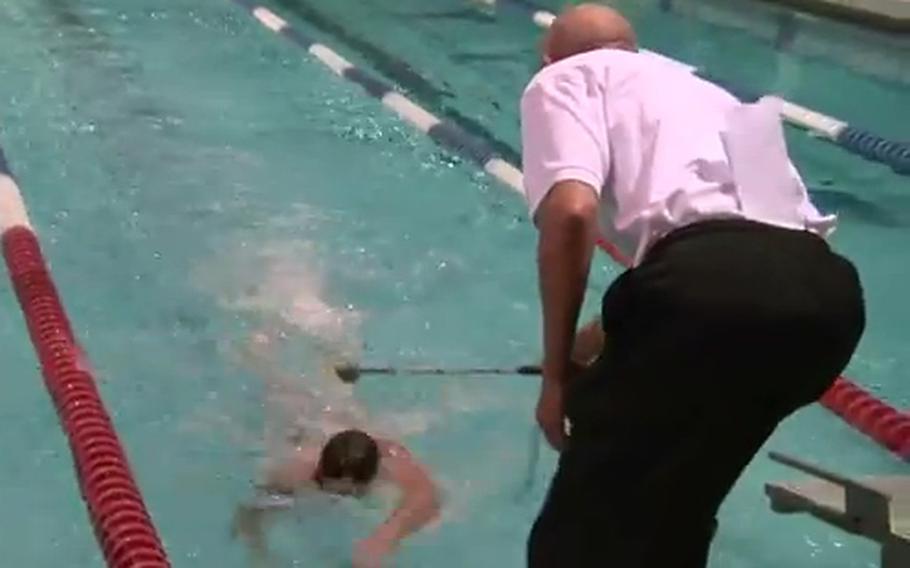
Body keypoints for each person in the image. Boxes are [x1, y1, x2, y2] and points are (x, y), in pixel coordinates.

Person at [520, 4, 865, 567]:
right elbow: (750, 258)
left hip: (705, 294)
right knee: (672, 520)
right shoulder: (707, 91)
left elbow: (573, 215)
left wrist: (556, 377)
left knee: (578, 540)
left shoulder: (564, 77)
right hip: (827, 301)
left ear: (548, 56)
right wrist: (600, 340)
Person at [231, 330, 440, 568]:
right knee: (279, 387)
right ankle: (262, 346)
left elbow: (428, 499)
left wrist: (385, 537)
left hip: (344, 421)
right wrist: (259, 552)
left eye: (352, 493)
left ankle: (326, 347)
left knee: (335, 395)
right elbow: (249, 514)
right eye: (334, 490)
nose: (343, 497)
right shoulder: (297, 470)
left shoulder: (391, 459)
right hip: (303, 421)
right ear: (319, 471)